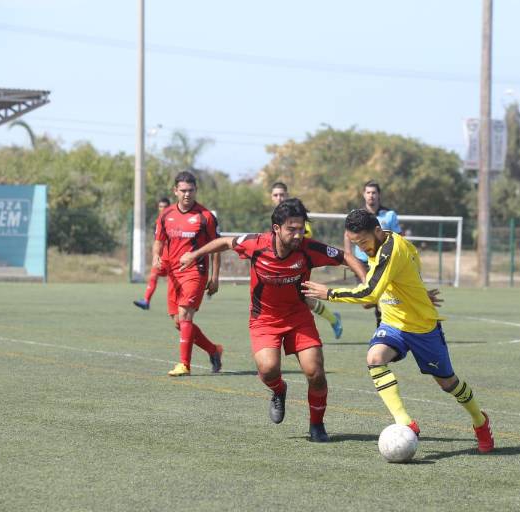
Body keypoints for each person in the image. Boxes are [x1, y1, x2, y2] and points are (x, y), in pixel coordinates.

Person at [303, 209, 494, 453]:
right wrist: (416, 292)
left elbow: (369, 294)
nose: (361, 248)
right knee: (374, 358)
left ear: (377, 231)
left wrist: (329, 293)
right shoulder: (381, 242)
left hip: (422, 327)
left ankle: (480, 421)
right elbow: (410, 269)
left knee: (449, 383)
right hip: (393, 323)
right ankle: (405, 422)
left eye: (363, 242)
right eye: (355, 244)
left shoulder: (392, 250)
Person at [179, 198, 366, 442]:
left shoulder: (308, 249)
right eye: (292, 229)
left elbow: (346, 257)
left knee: (315, 372)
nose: (298, 235)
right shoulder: (256, 244)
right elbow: (225, 242)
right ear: (276, 228)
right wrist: (194, 255)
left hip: (298, 318)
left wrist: (366, 285)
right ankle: (279, 390)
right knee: (268, 370)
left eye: (301, 229)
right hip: (264, 319)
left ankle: (317, 425)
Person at [153, 172, 223, 377]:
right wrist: (156, 256)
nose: (187, 194)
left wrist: (215, 277)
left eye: (190, 190)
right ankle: (213, 350)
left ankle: (184, 364)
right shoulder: (166, 215)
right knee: (179, 322)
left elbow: (217, 247)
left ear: (196, 190)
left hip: (196, 271)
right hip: (174, 273)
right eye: (183, 190)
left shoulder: (205, 216)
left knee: (185, 315)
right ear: (175, 191)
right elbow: (158, 241)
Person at [270, 181, 343, 339]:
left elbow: (306, 235)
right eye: (276, 195)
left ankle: (332, 320)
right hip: (282, 266)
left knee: (301, 297)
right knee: (299, 298)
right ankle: (332, 318)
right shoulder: (276, 218)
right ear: (271, 197)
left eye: (282, 194)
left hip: (298, 265)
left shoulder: (296, 217)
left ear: (287, 195)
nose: (279, 198)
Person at [344, 179, 402, 327]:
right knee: (367, 301)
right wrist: (348, 257)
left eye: (374, 192)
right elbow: (347, 235)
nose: (371, 195)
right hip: (362, 263)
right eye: (368, 192)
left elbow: (398, 238)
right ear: (364, 195)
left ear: (379, 195)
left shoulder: (389, 215)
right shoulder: (356, 215)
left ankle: (383, 328)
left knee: (381, 298)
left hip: (383, 262)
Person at [133, 196, 172, 311]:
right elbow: (158, 240)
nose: (163, 209)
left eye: (165, 207)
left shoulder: (174, 220)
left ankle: (177, 304)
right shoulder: (158, 221)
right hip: (161, 256)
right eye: (160, 207)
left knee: (173, 281)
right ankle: (146, 301)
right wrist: (156, 254)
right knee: (153, 276)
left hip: (173, 256)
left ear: (169, 207)